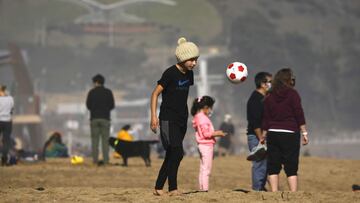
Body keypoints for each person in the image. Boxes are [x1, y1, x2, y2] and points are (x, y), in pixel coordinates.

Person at [150, 37, 199, 196]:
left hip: (181, 119)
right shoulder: (170, 73)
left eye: (196, 59)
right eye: (191, 59)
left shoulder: (189, 75)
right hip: (166, 119)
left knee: (172, 154)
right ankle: (172, 188)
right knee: (177, 152)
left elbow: (184, 96)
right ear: (183, 58)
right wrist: (154, 117)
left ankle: (161, 187)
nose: (194, 63)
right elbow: (155, 94)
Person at [261, 68, 309, 192]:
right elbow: (299, 113)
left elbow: (266, 117)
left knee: (273, 165)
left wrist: (264, 134)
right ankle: (293, 194)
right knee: (291, 165)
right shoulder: (293, 94)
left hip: (273, 133)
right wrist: (304, 132)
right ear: (288, 80)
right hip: (290, 133)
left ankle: (274, 193)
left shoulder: (269, 95)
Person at [191, 96, 226, 192]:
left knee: (203, 168)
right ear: (206, 107)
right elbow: (206, 134)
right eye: (211, 108)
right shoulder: (203, 119)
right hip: (206, 145)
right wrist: (218, 133)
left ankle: (202, 188)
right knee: (207, 169)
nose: (211, 110)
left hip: (201, 145)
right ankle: (205, 189)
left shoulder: (198, 117)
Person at [246, 72, 272, 191]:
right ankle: (257, 190)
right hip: (256, 136)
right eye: (269, 82)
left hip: (262, 136)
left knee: (266, 164)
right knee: (259, 163)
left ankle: (261, 187)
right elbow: (255, 122)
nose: (271, 84)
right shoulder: (255, 99)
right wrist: (261, 138)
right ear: (262, 84)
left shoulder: (265, 98)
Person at [86, 74, 115, 165]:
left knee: (95, 141)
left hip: (94, 119)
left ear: (96, 82)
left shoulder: (91, 92)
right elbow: (112, 105)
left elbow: (88, 105)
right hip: (105, 119)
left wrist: (94, 109)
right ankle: (106, 161)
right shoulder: (108, 92)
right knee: (105, 141)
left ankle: (95, 161)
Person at [0, 85, 14, 166]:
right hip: (7, 122)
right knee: (6, 141)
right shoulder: (10, 99)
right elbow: (11, 110)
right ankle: (4, 159)